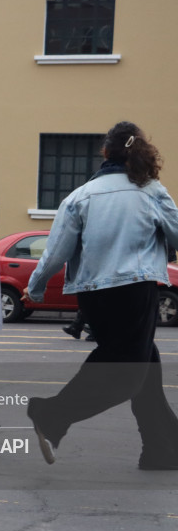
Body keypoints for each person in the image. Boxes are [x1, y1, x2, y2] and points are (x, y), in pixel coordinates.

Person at [23, 121, 178, 469]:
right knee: (125, 374)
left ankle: (163, 449)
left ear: (105, 153)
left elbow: (55, 253)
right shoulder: (152, 191)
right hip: (134, 291)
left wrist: (33, 289)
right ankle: (51, 414)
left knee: (145, 370)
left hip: (93, 297)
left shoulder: (79, 197)